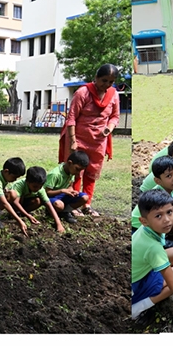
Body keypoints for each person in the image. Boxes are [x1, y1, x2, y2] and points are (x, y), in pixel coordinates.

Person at [58, 64, 120, 216]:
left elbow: (115, 116)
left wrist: (109, 128)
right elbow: (71, 118)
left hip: (98, 141)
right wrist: (73, 141)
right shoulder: (83, 92)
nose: (106, 85)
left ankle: (87, 204)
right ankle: (74, 204)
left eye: (110, 82)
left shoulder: (114, 94)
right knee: (76, 171)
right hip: (78, 139)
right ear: (96, 78)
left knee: (91, 173)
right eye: (104, 80)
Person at [131, 189, 173, 322]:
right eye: (158, 216)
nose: (167, 220)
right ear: (144, 221)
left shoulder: (145, 230)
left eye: (169, 212)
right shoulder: (153, 248)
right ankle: (138, 307)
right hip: (135, 286)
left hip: (139, 270)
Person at [8, 166, 65, 233]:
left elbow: (49, 205)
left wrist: (58, 224)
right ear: (27, 181)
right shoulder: (19, 185)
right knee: (19, 197)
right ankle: (16, 213)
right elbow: (16, 202)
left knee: (38, 201)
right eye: (35, 186)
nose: (37, 189)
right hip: (13, 203)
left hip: (25, 203)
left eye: (40, 187)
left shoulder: (40, 189)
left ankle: (22, 213)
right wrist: (28, 215)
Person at [45, 150, 90, 224]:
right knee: (59, 205)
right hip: (52, 197)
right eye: (77, 169)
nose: (78, 173)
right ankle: (51, 211)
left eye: (81, 170)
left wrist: (71, 191)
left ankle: (65, 212)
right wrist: (62, 191)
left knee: (85, 198)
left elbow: (69, 186)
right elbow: (47, 192)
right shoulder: (55, 174)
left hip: (63, 195)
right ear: (69, 163)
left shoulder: (71, 171)